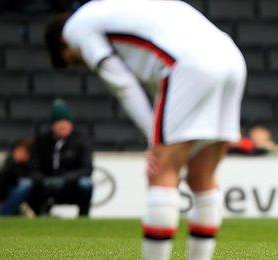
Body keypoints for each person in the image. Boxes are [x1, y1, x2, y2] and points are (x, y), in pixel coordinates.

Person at [44, 1, 246, 259]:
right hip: (231, 59)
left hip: (189, 63)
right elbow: (159, 85)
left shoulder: (75, 28)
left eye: (72, 60)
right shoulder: (120, 11)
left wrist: (155, 142)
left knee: (162, 171)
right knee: (201, 175)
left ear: (62, 44)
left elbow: (123, 85)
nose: (80, 61)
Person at [30, 99, 93, 216]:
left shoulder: (81, 141)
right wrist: (44, 180)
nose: (64, 126)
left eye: (67, 123)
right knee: (26, 184)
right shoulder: (41, 141)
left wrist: (65, 178)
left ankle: (83, 216)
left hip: (70, 184)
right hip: (45, 184)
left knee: (86, 184)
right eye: (60, 123)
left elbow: (87, 169)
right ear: (53, 125)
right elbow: (33, 168)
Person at [0, 138, 35, 216]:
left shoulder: (31, 165)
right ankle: (3, 213)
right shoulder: (8, 166)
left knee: (27, 184)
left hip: (26, 196)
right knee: (25, 185)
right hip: (4, 196)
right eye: (18, 151)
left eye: (23, 152)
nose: (20, 154)